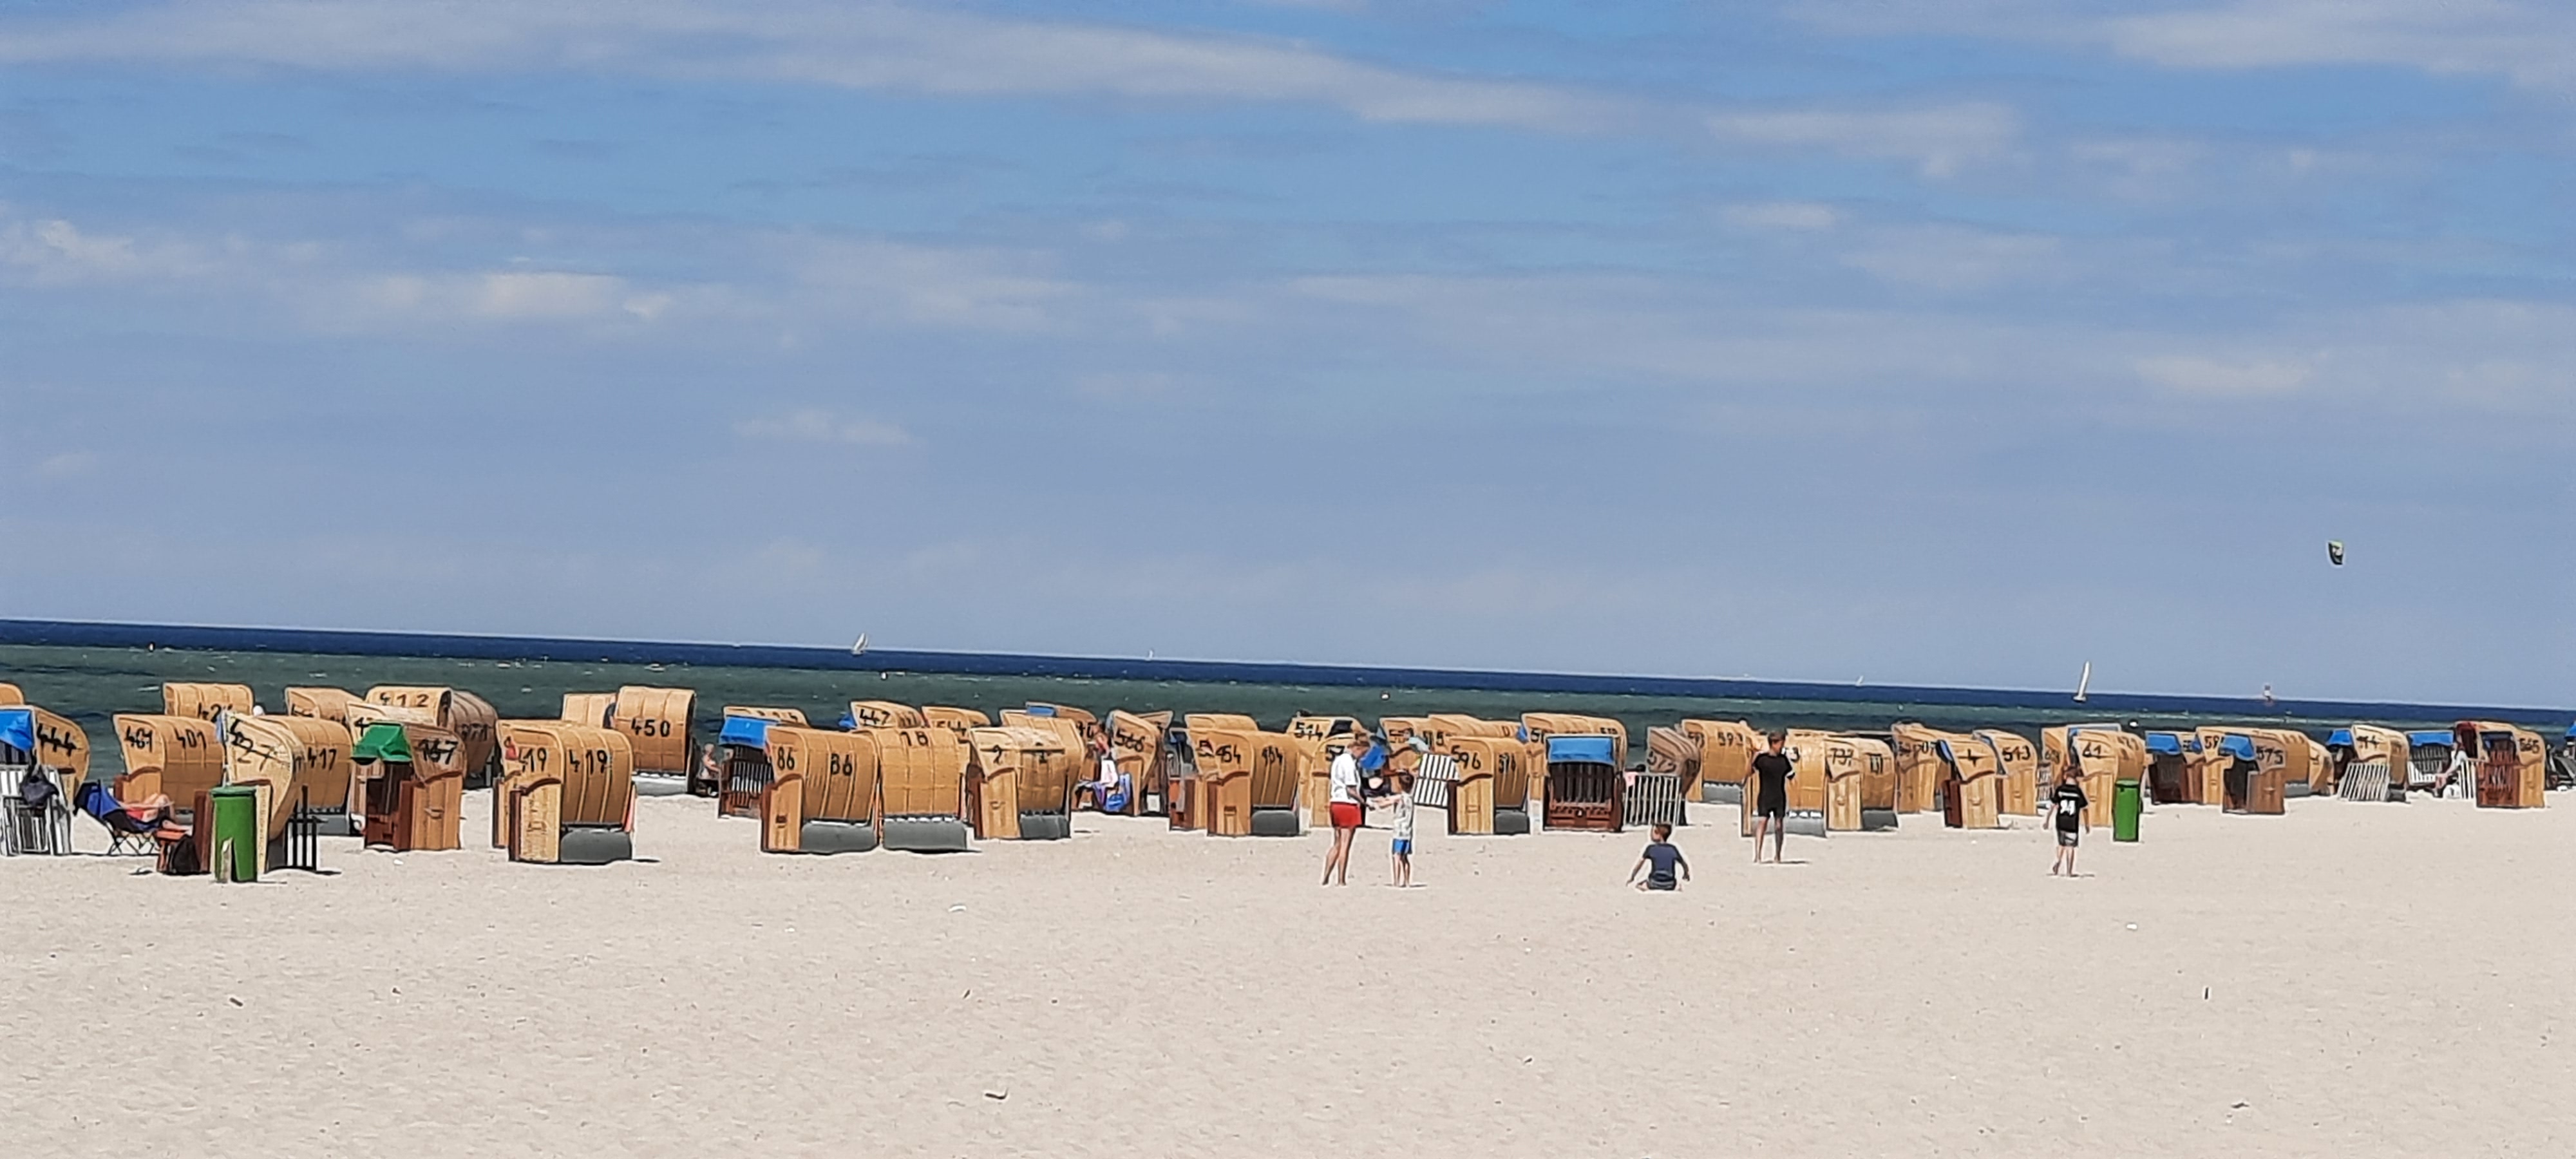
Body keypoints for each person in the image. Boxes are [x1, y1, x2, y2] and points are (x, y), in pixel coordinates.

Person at [1321, 734, 1370, 886]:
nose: (1362, 757)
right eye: (1363, 753)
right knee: (1345, 844)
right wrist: (1364, 803)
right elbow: (1351, 789)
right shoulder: (1349, 762)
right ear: (1357, 748)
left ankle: (1326, 877)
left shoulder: (1338, 760)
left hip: (1335, 802)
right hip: (1347, 804)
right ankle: (1341, 879)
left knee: (1336, 843)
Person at [1749, 731, 1792, 864]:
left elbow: (1791, 776)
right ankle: (1758, 855)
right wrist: (1753, 757)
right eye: (1781, 744)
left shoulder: (1783, 760)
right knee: (1762, 823)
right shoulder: (1762, 759)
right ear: (1773, 743)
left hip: (1779, 797)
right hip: (1765, 796)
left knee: (1779, 826)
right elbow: (1750, 771)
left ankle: (1777, 856)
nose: (1782, 747)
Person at [2050, 762, 2090, 876]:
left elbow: (2053, 805)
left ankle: (2058, 861)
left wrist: (2047, 820)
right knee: (2071, 847)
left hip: (2060, 821)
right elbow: (2085, 809)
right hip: (2072, 823)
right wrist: (2087, 825)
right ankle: (2069, 871)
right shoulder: (2077, 792)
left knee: (2061, 844)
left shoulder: (2060, 790)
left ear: (2065, 776)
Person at [1629, 822, 1689, 890]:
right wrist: (1686, 874)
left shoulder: (1651, 848)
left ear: (1657, 833)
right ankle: (1677, 887)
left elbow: (1639, 864)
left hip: (1654, 882)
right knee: (1676, 884)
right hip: (1670, 883)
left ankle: (1645, 887)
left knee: (1640, 884)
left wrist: (1632, 877)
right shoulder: (1673, 849)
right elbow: (1684, 864)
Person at [1386, 772, 1416, 887]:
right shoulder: (1411, 799)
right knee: (1405, 858)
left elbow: (1387, 802)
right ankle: (1407, 881)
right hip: (1408, 832)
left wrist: (1375, 803)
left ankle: (1396, 881)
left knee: (1396, 856)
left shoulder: (1400, 798)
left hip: (1399, 831)